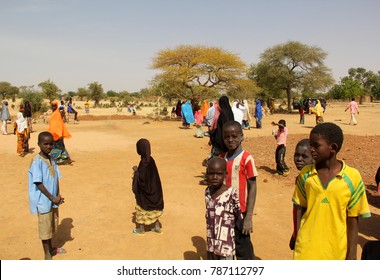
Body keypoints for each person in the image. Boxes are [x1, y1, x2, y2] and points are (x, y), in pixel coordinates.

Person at [293, 123, 371, 259]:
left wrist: (352, 254)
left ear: (332, 148)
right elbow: (301, 208)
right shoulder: (306, 175)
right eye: (310, 145)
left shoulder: (352, 177)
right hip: (306, 250)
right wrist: (297, 236)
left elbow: (353, 218)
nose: (311, 149)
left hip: (336, 251)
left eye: (316, 145)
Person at [220, 120, 258, 260]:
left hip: (240, 213)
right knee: (226, 245)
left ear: (242, 136)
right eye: (227, 137)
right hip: (224, 211)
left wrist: (248, 216)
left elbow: (252, 187)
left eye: (234, 136)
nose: (230, 140)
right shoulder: (221, 159)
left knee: (243, 247)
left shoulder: (247, 158)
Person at [28, 131, 66, 260]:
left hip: (52, 200)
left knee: (50, 225)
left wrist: (58, 196)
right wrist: (52, 198)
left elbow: (56, 177)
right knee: (44, 227)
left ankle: (51, 248)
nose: (48, 147)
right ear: (39, 144)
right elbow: (38, 183)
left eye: (51, 144)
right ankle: (47, 254)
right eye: (45, 144)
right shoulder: (37, 161)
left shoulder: (52, 158)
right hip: (43, 201)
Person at [205, 157, 243, 260]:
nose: (215, 177)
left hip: (226, 245)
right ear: (207, 174)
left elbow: (238, 215)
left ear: (225, 174)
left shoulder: (231, 193)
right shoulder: (207, 192)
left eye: (219, 174)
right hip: (211, 242)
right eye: (211, 174)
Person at [132, 139, 164, 235]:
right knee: (153, 210)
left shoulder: (144, 164)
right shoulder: (151, 160)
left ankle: (141, 229)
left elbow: (142, 179)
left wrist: (136, 171)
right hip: (155, 193)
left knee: (141, 208)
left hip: (145, 195)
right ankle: (156, 227)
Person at [289, 139, 312, 250]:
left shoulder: (311, 180)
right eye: (296, 155)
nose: (299, 159)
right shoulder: (302, 177)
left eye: (304, 156)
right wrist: (295, 232)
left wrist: (297, 235)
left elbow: (302, 209)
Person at [47, 101, 74, 165]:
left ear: (56, 106)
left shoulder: (57, 114)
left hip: (57, 134)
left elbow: (59, 125)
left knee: (59, 147)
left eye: (54, 106)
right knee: (58, 148)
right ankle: (67, 159)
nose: (53, 107)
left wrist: (60, 134)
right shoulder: (53, 114)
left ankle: (64, 160)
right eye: (52, 106)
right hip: (53, 134)